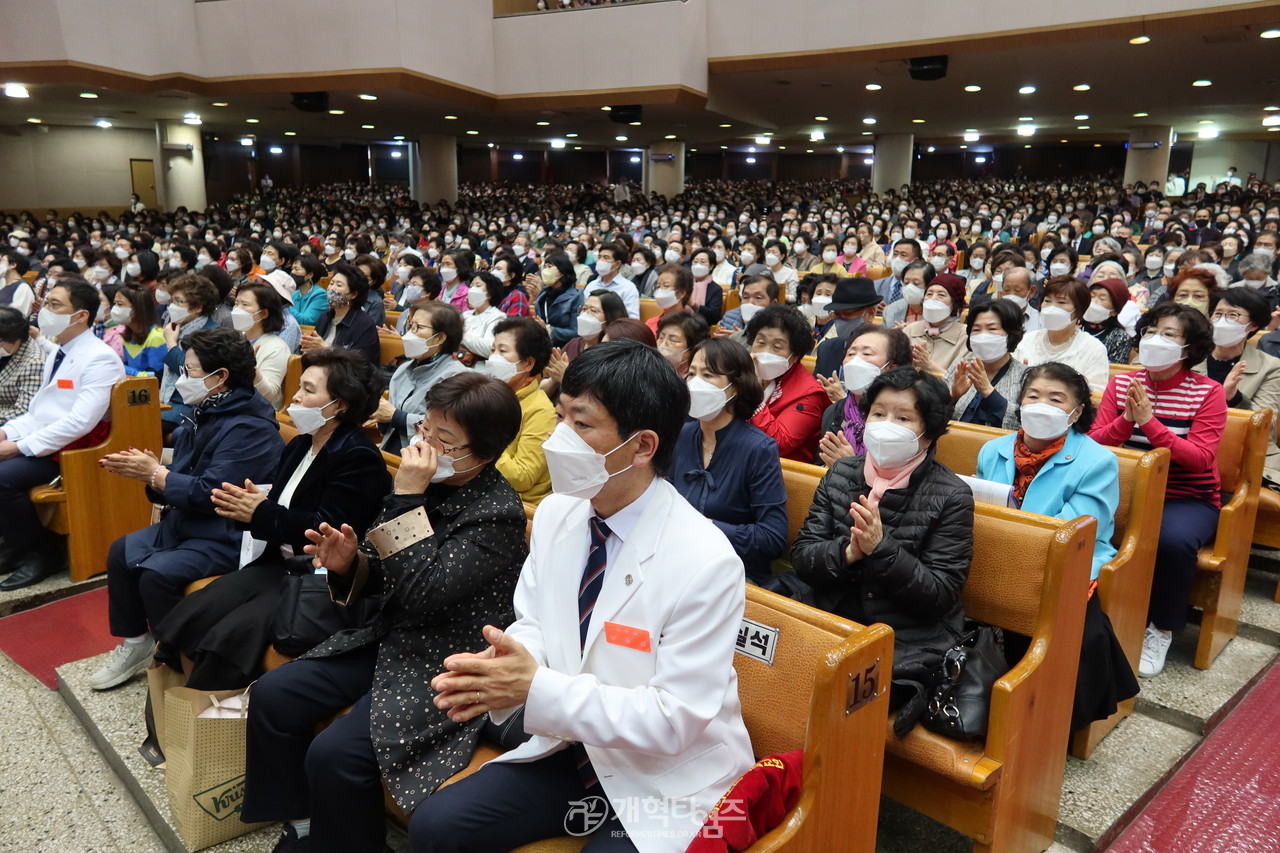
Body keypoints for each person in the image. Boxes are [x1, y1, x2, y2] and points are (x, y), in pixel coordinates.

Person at [414, 340, 755, 852]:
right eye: (559, 417)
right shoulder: (559, 513)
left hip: (662, 772)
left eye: (582, 424)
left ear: (642, 447)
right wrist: (511, 661)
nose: (558, 440)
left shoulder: (706, 560)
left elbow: (673, 720)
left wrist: (535, 686)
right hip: (576, 746)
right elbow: (535, 617)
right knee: (437, 827)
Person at [243, 373, 527, 853]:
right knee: (274, 694)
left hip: (442, 659)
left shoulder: (496, 513)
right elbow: (383, 572)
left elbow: (423, 592)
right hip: (385, 636)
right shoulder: (427, 486)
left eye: (444, 440)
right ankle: (305, 822)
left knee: (336, 755)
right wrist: (349, 564)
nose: (426, 446)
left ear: (482, 455)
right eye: (425, 431)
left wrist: (408, 498)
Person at [153, 348, 391, 690]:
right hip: (276, 564)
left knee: (229, 637)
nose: (295, 396)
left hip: (316, 579)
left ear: (340, 404)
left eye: (309, 390)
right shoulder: (301, 444)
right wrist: (247, 507)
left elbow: (324, 533)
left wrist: (259, 511)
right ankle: (172, 712)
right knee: (194, 613)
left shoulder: (357, 458)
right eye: (300, 386)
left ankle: (207, 729)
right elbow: (275, 509)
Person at [89, 328, 283, 689]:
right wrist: (153, 476)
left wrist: (159, 476)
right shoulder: (206, 409)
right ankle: (136, 643)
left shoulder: (250, 426)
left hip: (225, 534)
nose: (182, 379)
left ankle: (179, 663)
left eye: (190, 370)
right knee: (120, 553)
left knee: (156, 576)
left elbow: (214, 493)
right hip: (188, 522)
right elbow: (183, 477)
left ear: (220, 377)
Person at [976, 362, 1138, 730]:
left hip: (1065, 560)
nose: (1042, 405)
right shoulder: (993, 450)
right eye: (1033, 395)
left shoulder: (1097, 460)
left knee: (1073, 631)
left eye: (1056, 398)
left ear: (1077, 411)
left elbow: (1079, 532)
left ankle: (1050, 719)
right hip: (996, 551)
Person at [790, 367, 974, 668]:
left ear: (928, 433)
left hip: (904, 638)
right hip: (830, 620)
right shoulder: (842, 472)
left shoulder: (952, 496)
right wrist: (849, 552)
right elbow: (803, 557)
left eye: (902, 418)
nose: (886, 426)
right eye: (878, 414)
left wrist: (880, 547)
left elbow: (939, 596)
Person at [1090, 302, 1225, 677]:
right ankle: (1093, 616)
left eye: (1169, 335)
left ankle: (1162, 628)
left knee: (1171, 541)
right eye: (1151, 331)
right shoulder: (1122, 384)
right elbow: (1096, 442)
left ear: (1189, 349)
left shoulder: (1207, 392)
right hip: (1122, 487)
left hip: (1185, 496)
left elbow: (1199, 458)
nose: (1155, 340)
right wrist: (1126, 421)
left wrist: (1150, 424)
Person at [0, 279, 125, 590]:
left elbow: (80, 422)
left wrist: (18, 447)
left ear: (81, 315)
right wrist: (5, 432)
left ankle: (43, 552)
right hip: (51, 439)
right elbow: (42, 411)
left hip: (76, 450)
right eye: (47, 303)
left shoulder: (100, 357)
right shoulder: (62, 351)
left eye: (55, 305)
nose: (45, 310)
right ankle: (16, 544)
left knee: (2, 477)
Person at [671, 337, 786, 585]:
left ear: (735, 387)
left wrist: (708, 526)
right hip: (679, 561)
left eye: (709, 375)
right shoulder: (681, 435)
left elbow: (773, 537)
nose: (696, 384)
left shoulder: (759, 449)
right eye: (692, 374)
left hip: (733, 571)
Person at [1195, 288, 1280, 486]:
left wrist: (1233, 399)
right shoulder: (1190, 357)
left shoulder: (1271, 367)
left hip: (1248, 455)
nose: (1223, 320)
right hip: (1193, 446)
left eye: (1233, 315)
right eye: (1218, 314)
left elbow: (1267, 424)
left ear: (1253, 325)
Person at [373, 300, 469, 455]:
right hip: (391, 448)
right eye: (410, 326)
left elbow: (446, 429)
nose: (409, 334)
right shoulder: (403, 369)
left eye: (418, 328)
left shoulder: (457, 377)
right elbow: (386, 418)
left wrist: (396, 416)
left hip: (426, 458)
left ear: (440, 338)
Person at [814, 325, 912, 466]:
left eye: (867, 354)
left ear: (891, 367)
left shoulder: (904, 417)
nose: (855, 361)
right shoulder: (835, 411)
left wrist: (852, 466)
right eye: (851, 354)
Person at [746, 304, 827, 462]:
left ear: (795, 356)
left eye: (777, 347)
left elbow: (779, 443)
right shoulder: (742, 372)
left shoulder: (810, 394)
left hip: (779, 470)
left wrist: (752, 391)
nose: (765, 352)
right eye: (761, 342)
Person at [489, 316, 555, 506]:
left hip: (513, 504)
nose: (494, 357)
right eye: (493, 350)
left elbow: (522, 477)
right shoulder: (490, 394)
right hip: (485, 489)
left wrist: (481, 439)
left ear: (528, 363)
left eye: (503, 351)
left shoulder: (541, 410)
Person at [1014, 275, 1110, 392]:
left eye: (1061, 302)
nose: (1051, 308)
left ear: (1079, 310)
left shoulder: (1093, 348)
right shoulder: (1026, 340)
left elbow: (1095, 396)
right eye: (1047, 301)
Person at [943, 298, 1028, 429]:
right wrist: (952, 397)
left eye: (992, 328)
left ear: (1011, 334)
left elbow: (1023, 424)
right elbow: (930, 413)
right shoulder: (961, 366)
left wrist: (989, 393)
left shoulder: (1025, 375)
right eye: (976, 330)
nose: (983, 336)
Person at [158, 273, 220, 432]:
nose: (173, 306)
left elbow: (190, 372)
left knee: (139, 425)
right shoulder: (176, 327)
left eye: (179, 302)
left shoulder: (210, 334)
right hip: (167, 401)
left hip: (191, 406)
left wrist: (171, 344)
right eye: (172, 300)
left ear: (198, 307)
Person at [300, 263, 380, 366]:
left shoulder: (364, 324)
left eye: (339, 285)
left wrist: (326, 348)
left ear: (354, 294)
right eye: (331, 283)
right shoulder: (325, 316)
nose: (332, 288)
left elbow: (361, 364)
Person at [230, 281, 291, 408]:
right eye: (236, 304)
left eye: (245, 305)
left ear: (264, 313)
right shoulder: (235, 339)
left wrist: (251, 369)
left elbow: (269, 395)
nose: (237, 310)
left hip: (254, 413)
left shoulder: (277, 347)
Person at [903, 272, 969, 375]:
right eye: (929, 294)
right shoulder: (910, 330)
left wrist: (929, 365)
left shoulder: (966, 337)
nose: (933, 299)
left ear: (954, 303)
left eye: (941, 295)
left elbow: (962, 384)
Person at [0, 305, 46, 426]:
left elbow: (23, 411)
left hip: (7, 423)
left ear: (16, 340)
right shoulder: (8, 346)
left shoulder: (34, 363)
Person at [110, 285, 166, 376]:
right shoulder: (127, 335)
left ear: (136, 309)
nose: (114, 308)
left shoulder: (156, 337)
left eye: (120, 304)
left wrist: (122, 368)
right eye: (114, 303)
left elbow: (157, 376)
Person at [533, 250, 584, 347]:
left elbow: (576, 332)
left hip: (565, 347)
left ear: (562, 271)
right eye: (545, 266)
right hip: (543, 345)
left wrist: (549, 330)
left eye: (550, 267)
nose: (545, 270)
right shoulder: (543, 294)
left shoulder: (575, 296)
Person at [458, 271, 508, 367]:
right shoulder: (465, 315)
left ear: (489, 293)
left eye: (478, 285)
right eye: (471, 286)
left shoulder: (497, 317)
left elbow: (489, 348)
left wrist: (460, 334)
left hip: (478, 366)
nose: (472, 289)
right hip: (456, 360)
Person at [1082, 277, 1135, 364]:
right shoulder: (1073, 325)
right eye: (1091, 296)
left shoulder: (1119, 337)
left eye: (1102, 299)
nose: (1093, 302)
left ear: (1114, 311)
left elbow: (1115, 369)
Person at [582, 241, 640, 318]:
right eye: (600, 257)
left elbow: (632, 319)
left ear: (617, 264)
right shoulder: (591, 285)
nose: (601, 261)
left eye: (606, 258)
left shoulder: (628, 288)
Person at [655, 310, 710, 378]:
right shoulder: (651, 370)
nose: (663, 344)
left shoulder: (697, 381)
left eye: (673, 340)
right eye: (661, 337)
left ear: (693, 347)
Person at [288, 254, 330, 327]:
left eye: (296, 269)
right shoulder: (295, 293)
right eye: (292, 269)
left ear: (310, 274)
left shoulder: (320, 294)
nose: (292, 272)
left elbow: (307, 321)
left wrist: (284, 307)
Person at [687, 246, 725, 326]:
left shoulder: (715, 289)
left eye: (702, 262)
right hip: (681, 322)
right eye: (695, 261)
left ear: (711, 266)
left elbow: (714, 316)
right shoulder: (684, 284)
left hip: (702, 327)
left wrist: (695, 305)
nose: (698, 265)